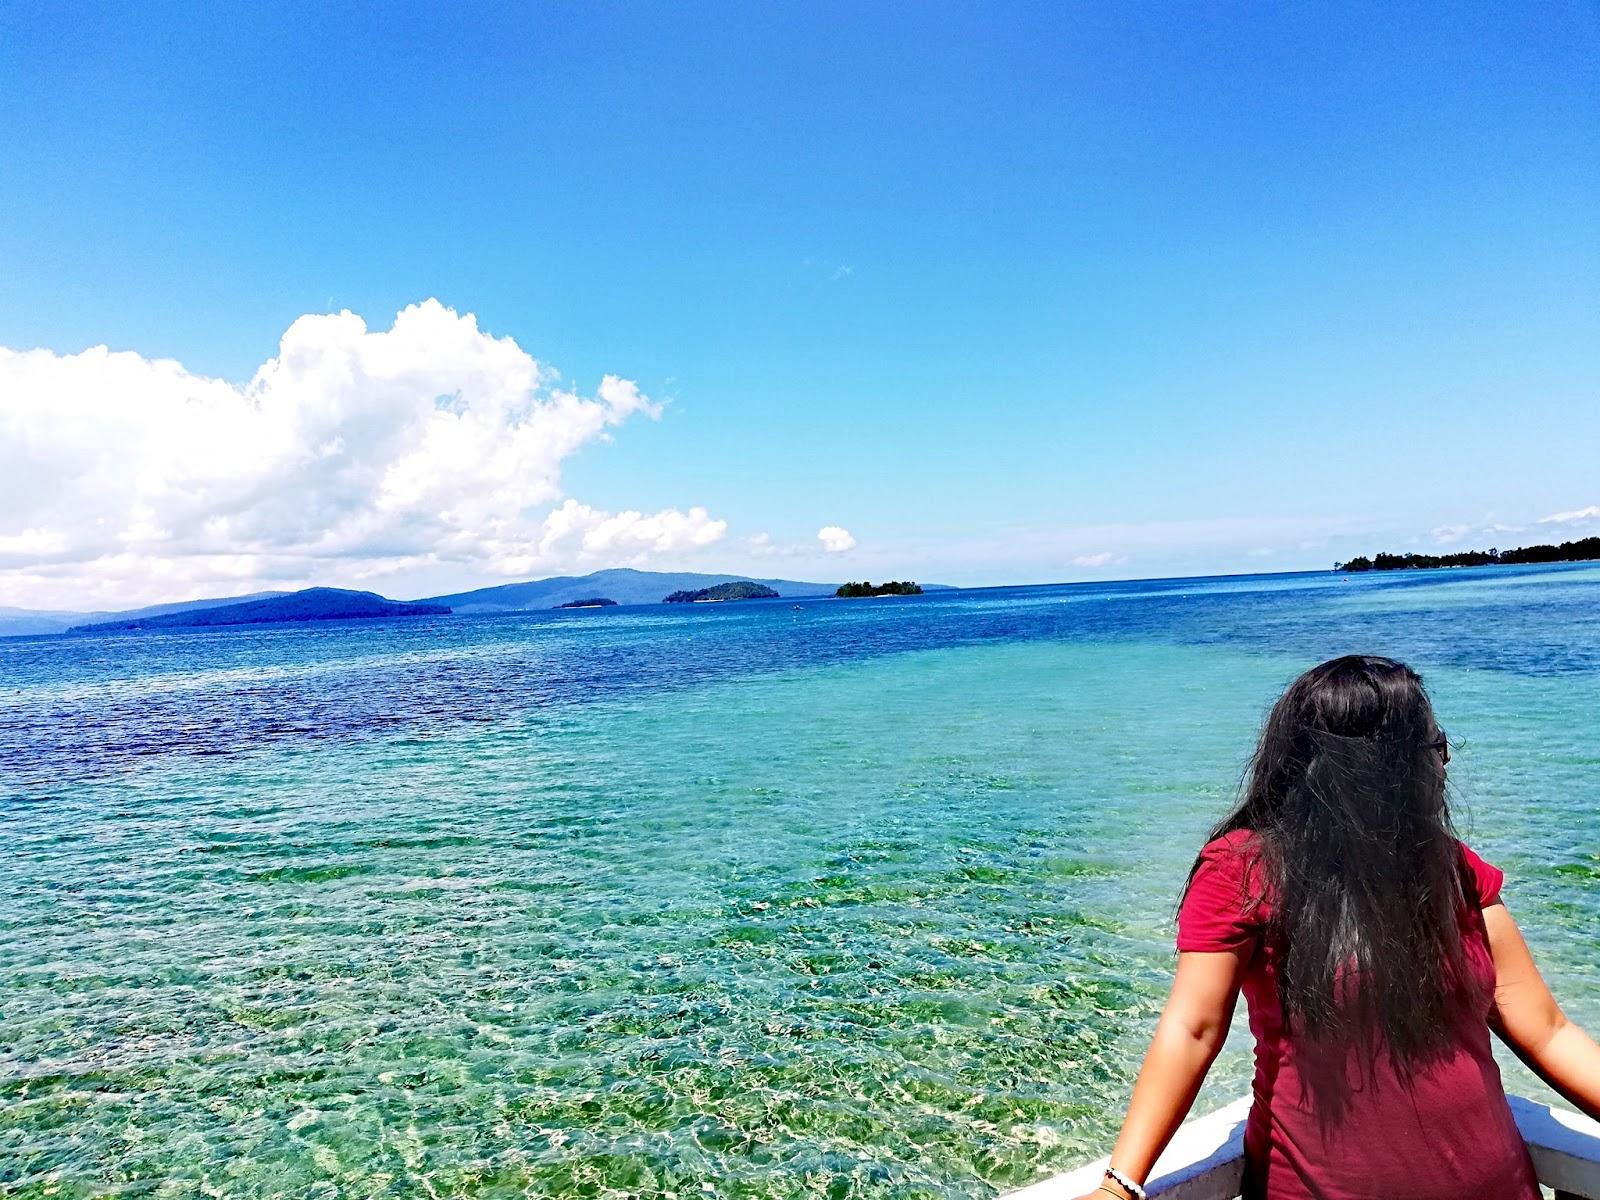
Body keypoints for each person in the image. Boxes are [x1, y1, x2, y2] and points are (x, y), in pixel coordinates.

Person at [1078, 655, 1600, 1200]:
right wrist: (1121, 1184)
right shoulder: (1242, 868)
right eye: (1430, 749)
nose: (1442, 767)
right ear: (1375, 768)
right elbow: (1193, 1030)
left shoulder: (1449, 866)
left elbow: (1547, 1030)